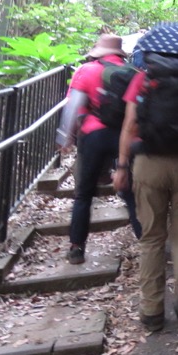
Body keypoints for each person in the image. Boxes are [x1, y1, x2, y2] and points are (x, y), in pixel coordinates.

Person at [113, 53, 178, 332]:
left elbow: (129, 125)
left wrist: (122, 165)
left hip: (149, 163)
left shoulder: (144, 78)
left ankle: (152, 311)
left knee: (152, 238)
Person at [56, 33, 142, 264]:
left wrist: (66, 137)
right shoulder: (133, 73)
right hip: (125, 137)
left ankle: (76, 247)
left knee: (83, 194)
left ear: (99, 51)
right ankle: (146, 240)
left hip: (93, 136)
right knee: (131, 192)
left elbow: (73, 105)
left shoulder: (87, 70)